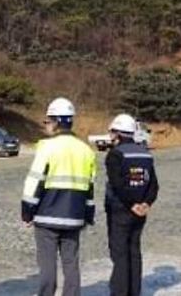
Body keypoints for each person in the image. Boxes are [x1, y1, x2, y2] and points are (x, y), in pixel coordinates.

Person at [21, 97, 96, 296]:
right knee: (71, 264)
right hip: (74, 217)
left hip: (47, 216)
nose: (46, 126)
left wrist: (27, 212)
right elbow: (90, 189)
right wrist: (88, 215)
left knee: (47, 264)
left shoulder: (46, 147)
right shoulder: (86, 150)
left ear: (56, 121)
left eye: (47, 121)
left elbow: (34, 182)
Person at [104, 114, 159, 296]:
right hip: (140, 212)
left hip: (121, 210)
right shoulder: (146, 154)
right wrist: (146, 203)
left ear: (117, 133)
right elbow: (154, 185)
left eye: (112, 131)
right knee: (134, 251)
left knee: (119, 254)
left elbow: (117, 184)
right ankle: (134, 292)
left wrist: (132, 204)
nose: (110, 135)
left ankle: (120, 292)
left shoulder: (115, 154)